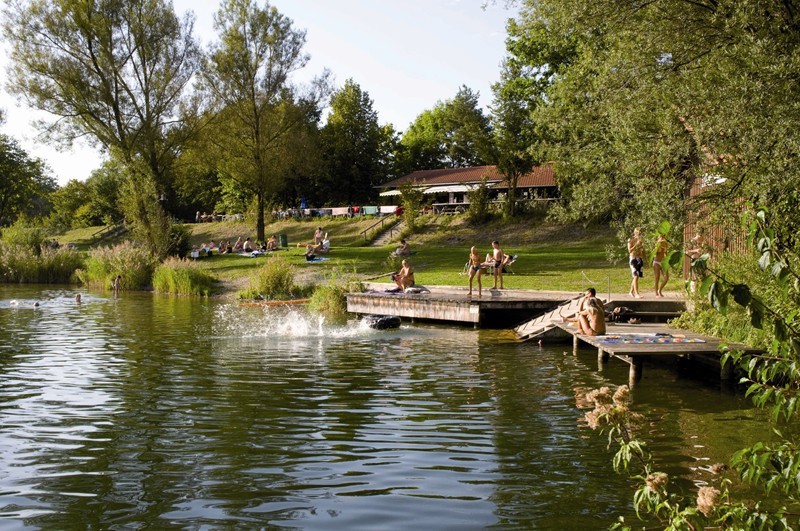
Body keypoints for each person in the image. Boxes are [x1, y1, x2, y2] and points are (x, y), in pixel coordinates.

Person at [627, 227, 645, 298]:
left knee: (637, 276)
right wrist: (636, 244)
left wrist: (645, 259)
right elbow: (630, 250)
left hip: (639, 259)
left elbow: (642, 250)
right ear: (635, 233)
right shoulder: (630, 240)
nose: (640, 235)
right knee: (636, 275)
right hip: (633, 259)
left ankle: (631, 291)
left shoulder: (641, 240)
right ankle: (636, 293)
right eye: (638, 233)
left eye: (640, 233)